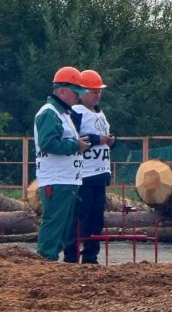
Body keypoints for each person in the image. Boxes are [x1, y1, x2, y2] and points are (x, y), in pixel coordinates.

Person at [34, 66, 91, 261]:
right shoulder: (50, 113)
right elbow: (48, 143)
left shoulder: (62, 114)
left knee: (62, 225)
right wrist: (76, 145)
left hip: (65, 179)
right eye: (76, 92)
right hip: (57, 179)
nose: (78, 96)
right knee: (54, 223)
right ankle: (45, 260)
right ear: (62, 91)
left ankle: (49, 260)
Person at [64, 69, 116, 264]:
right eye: (93, 91)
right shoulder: (77, 112)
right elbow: (74, 138)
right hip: (84, 174)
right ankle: (71, 255)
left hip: (100, 172)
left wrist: (111, 141)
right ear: (82, 92)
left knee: (96, 218)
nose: (97, 95)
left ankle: (90, 256)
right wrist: (97, 139)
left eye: (99, 91)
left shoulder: (100, 113)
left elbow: (106, 137)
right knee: (79, 216)